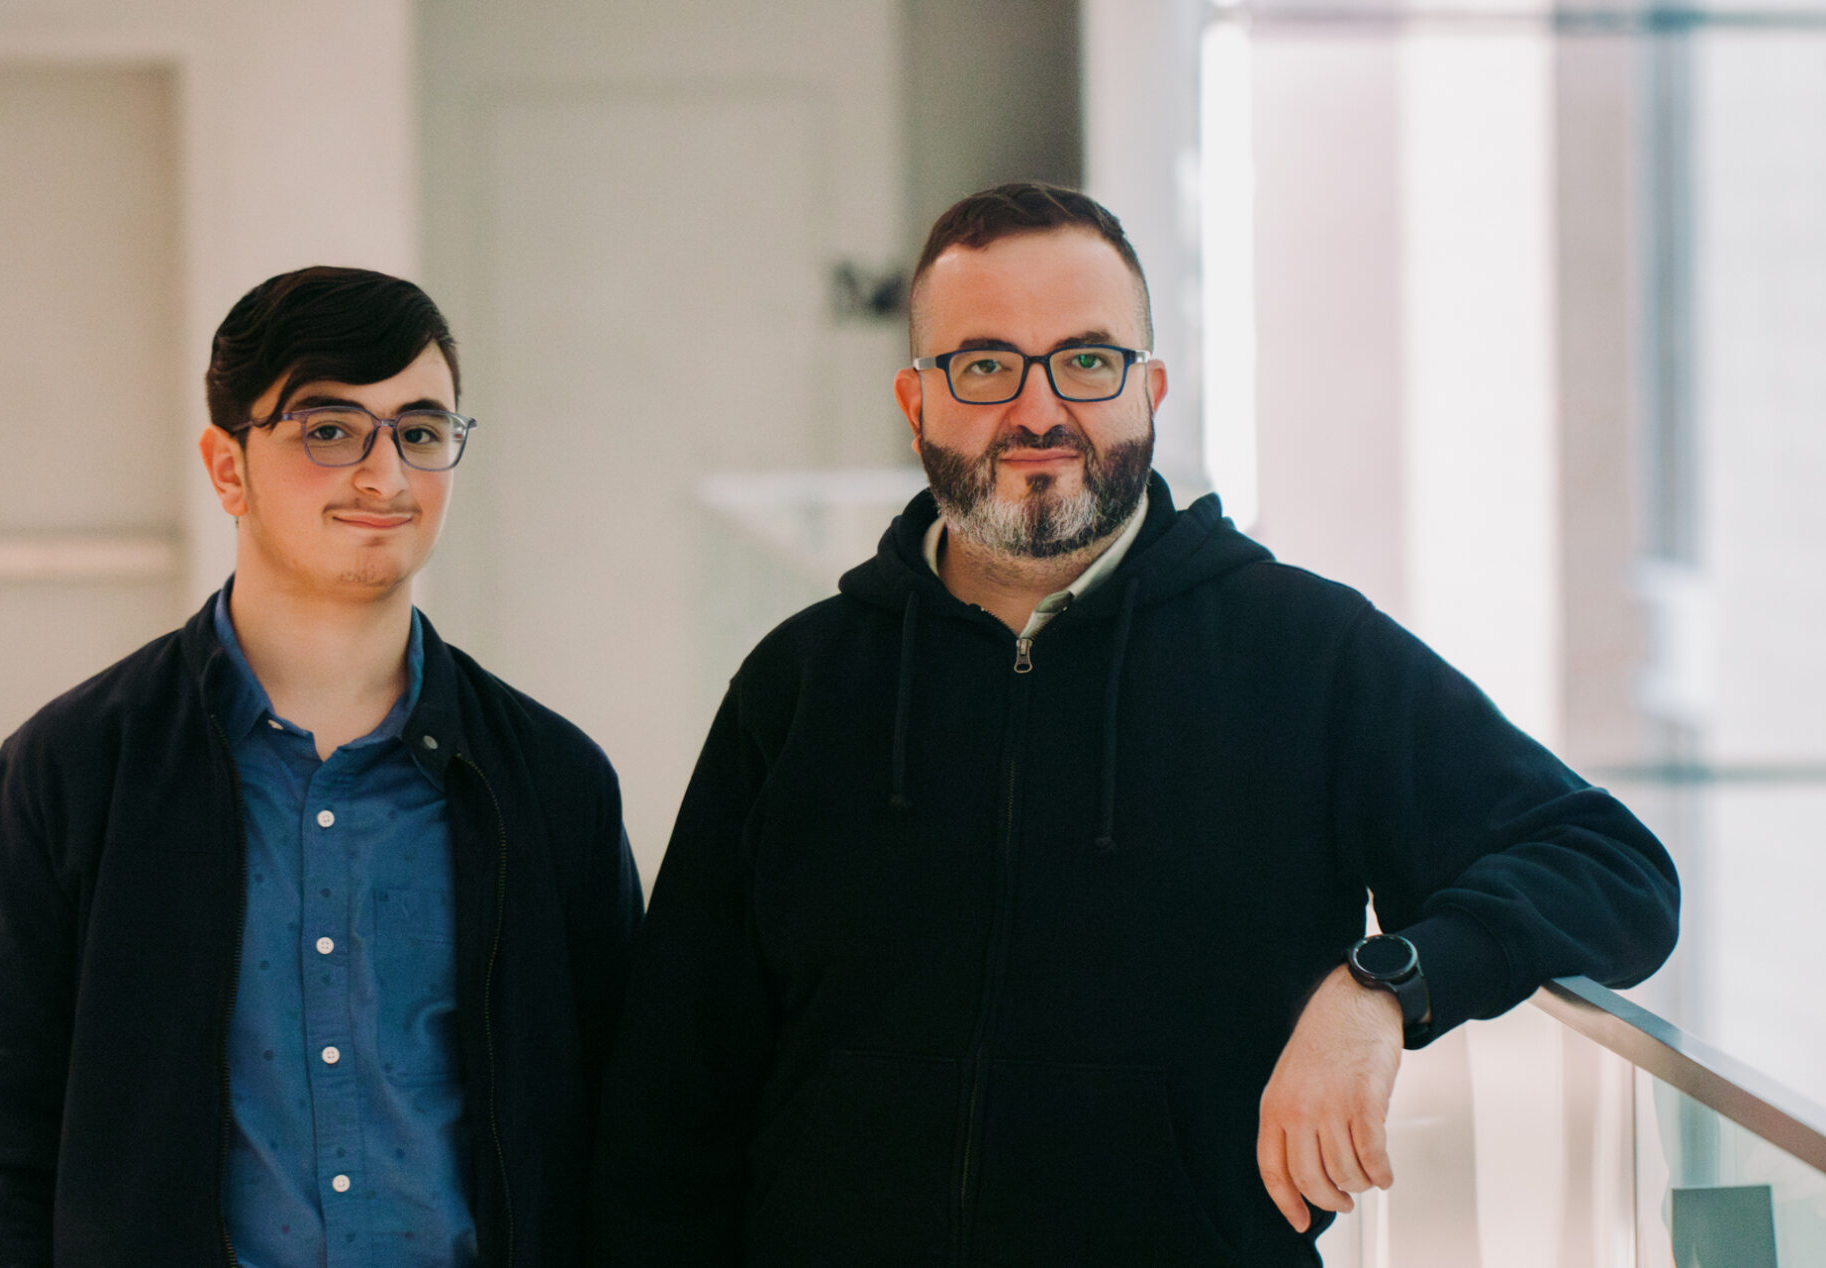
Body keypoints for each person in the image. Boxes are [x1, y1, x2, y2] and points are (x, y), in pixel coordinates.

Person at [589, 183, 1679, 1265]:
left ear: (1149, 388)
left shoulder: (1304, 652)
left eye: (1087, 358)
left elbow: (1610, 865)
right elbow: (674, 1094)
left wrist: (1380, 986)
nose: (1037, 410)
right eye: (983, 364)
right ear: (914, 399)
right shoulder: (799, 684)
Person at [0, 266, 642, 1266]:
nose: (385, 476)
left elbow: (623, 1130)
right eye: (329, 429)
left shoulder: (552, 779)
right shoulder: (73, 770)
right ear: (227, 467)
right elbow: (7, 1154)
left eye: (418, 430)